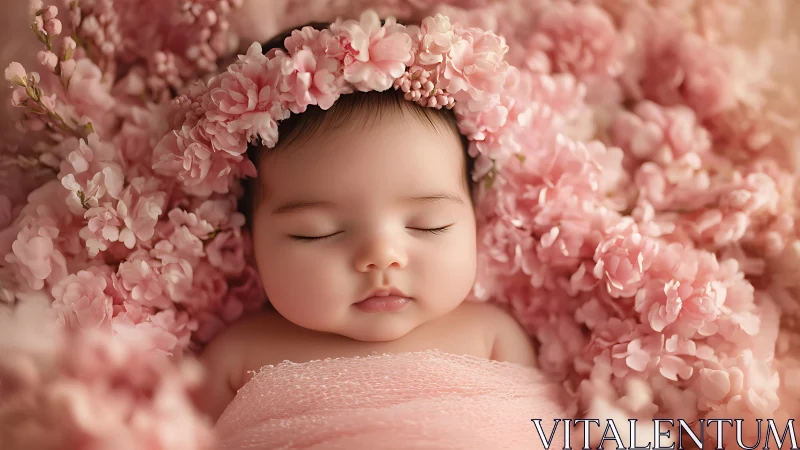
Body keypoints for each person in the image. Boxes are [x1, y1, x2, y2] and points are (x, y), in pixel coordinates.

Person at [198, 14, 539, 423]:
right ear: (250, 242)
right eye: (318, 233)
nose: (382, 256)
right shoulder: (238, 355)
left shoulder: (491, 337)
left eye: (429, 224)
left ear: (475, 221)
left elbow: (550, 435)